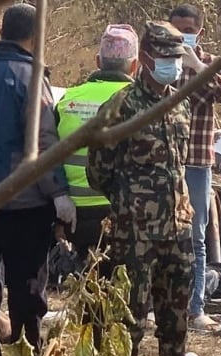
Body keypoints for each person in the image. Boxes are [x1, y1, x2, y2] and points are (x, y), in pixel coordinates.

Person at [86, 21, 196, 356]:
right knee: (129, 321)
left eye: (176, 59)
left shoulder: (181, 103)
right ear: (146, 59)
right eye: (165, 58)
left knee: (176, 323)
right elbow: (99, 171)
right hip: (135, 235)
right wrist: (130, 202)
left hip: (178, 231)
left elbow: (181, 165)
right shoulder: (121, 106)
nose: (173, 66)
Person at [0, 3, 75, 356]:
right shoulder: (29, 76)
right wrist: (60, 195)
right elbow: (44, 141)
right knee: (27, 287)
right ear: (35, 36)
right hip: (23, 204)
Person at [169, 3, 221, 330]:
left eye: (188, 30)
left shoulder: (212, 63)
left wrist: (196, 65)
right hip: (164, 161)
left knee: (195, 235)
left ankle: (195, 309)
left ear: (200, 32)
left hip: (196, 163)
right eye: (176, 29)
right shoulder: (159, 63)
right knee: (162, 233)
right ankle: (162, 305)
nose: (182, 36)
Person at [55, 24, 138, 258]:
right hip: (119, 213)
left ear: (98, 61)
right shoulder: (139, 103)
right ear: (134, 66)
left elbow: (46, 152)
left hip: (71, 214)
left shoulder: (67, 99)